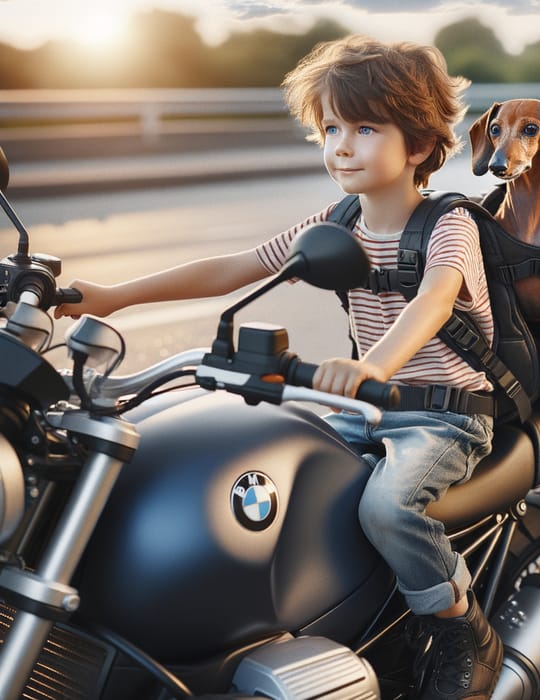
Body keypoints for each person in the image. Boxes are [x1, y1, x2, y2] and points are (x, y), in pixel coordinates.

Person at [55, 35, 503, 700]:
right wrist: (116, 295)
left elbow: (435, 299)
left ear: (417, 144)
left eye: (365, 127)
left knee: (386, 507)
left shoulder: (449, 227)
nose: (341, 145)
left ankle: (460, 623)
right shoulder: (341, 220)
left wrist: (372, 364)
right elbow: (236, 267)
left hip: (443, 416)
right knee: (273, 461)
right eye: (330, 128)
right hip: (370, 408)